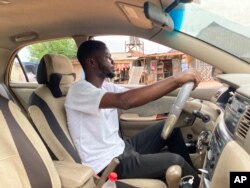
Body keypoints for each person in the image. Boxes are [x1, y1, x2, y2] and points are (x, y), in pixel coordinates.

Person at [65, 40, 201, 188]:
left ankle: (192, 176)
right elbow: (125, 101)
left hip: (121, 148)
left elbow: (136, 96)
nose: (113, 61)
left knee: (170, 130)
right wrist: (176, 79)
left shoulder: (105, 87)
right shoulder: (79, 91)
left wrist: (176, 84)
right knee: (175, 161)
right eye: (107, 57)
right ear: (92, 62)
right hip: (107, 163)